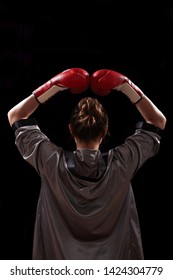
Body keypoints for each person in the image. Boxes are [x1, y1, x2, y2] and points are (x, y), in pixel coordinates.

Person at [7, 67, 167, 260]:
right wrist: (126, 87)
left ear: (71, 129)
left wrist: (54, 86)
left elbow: (15, 116)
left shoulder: (50, 161)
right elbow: (157, 121)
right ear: (105, 130)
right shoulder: (123, 162)